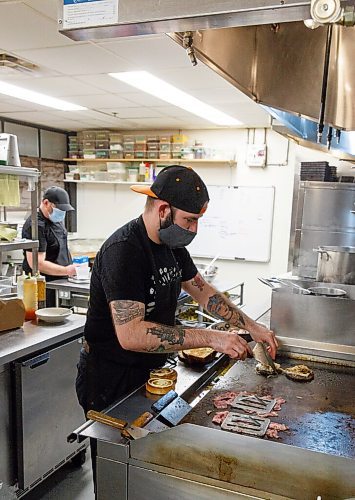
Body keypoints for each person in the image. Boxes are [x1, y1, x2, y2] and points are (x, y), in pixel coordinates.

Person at [76, 165, 277, 414]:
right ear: (163, 210)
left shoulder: (171, 245)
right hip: (112, 379)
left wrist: (251, 326)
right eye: (190, 220)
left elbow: (203, 292)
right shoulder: (124, 251)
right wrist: (211, 337)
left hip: (151, 372)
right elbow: (131, 335)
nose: (194, 229)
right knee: (116, 450)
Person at [22, 186, 77, 306]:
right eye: (59, 209)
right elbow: (37, 263)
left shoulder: (56, 220)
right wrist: (67, 270)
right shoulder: (35, 225)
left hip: (62, 282)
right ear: (46, 203)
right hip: (44, 286)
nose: (62, 213)